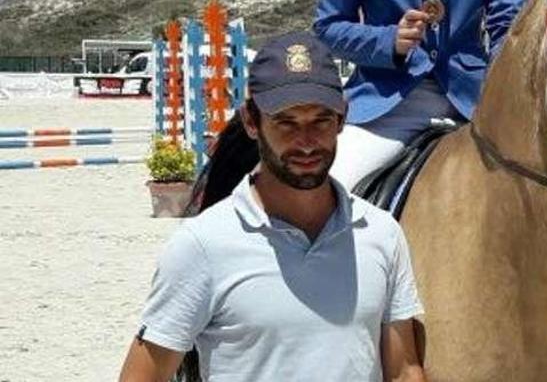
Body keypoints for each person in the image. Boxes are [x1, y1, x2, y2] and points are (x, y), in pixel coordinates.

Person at [119, 32, 427, 382]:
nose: (306, 141)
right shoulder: (202, 245)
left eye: (321, 120)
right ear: (251, 122)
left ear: (341, 119)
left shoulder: (383, 234)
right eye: (286, 122)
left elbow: (404, 370)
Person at [314, 0, 527, 189]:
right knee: (325, 189)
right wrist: (389, 41)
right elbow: (328, 26)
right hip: (386, 106)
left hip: (472, 103)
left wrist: (501, 90)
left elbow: (509, 24)